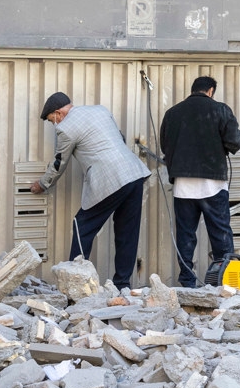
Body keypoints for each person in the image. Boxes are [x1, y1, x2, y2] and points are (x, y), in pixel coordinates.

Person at [30, 92, 150, 289]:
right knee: (127, 232)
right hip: (134, 173)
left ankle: (75, 283)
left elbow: (60, 162)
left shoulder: (66, 128)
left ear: (58, 113)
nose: (55, 125)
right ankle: (122, 285)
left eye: (53, 120)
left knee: (81, 225)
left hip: (111, 178)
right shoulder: (100, 110)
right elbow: (118, 136)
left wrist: (42, 184)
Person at [159, 76, 240, 287]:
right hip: (213, 184)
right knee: (220, 232)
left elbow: (165, 146)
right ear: (211, 91)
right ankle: (225, 282)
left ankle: (187, 281)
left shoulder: (172, 113)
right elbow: (235, 141)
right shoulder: (220, 110)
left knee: (186, 235)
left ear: (193, 90)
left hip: (183, 186)